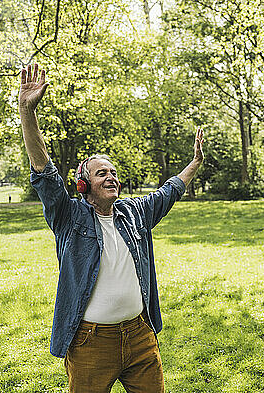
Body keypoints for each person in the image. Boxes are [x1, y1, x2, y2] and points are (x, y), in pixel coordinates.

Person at [18, 63, 204, 393]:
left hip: (140, 336)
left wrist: (194, 164)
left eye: (113, 172)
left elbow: (168, 191)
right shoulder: (68, 217)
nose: (111, 176)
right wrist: (27, 112)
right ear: (83, 185)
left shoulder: (134, 212)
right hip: (91, 344)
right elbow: (44, 172)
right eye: (102, 172)